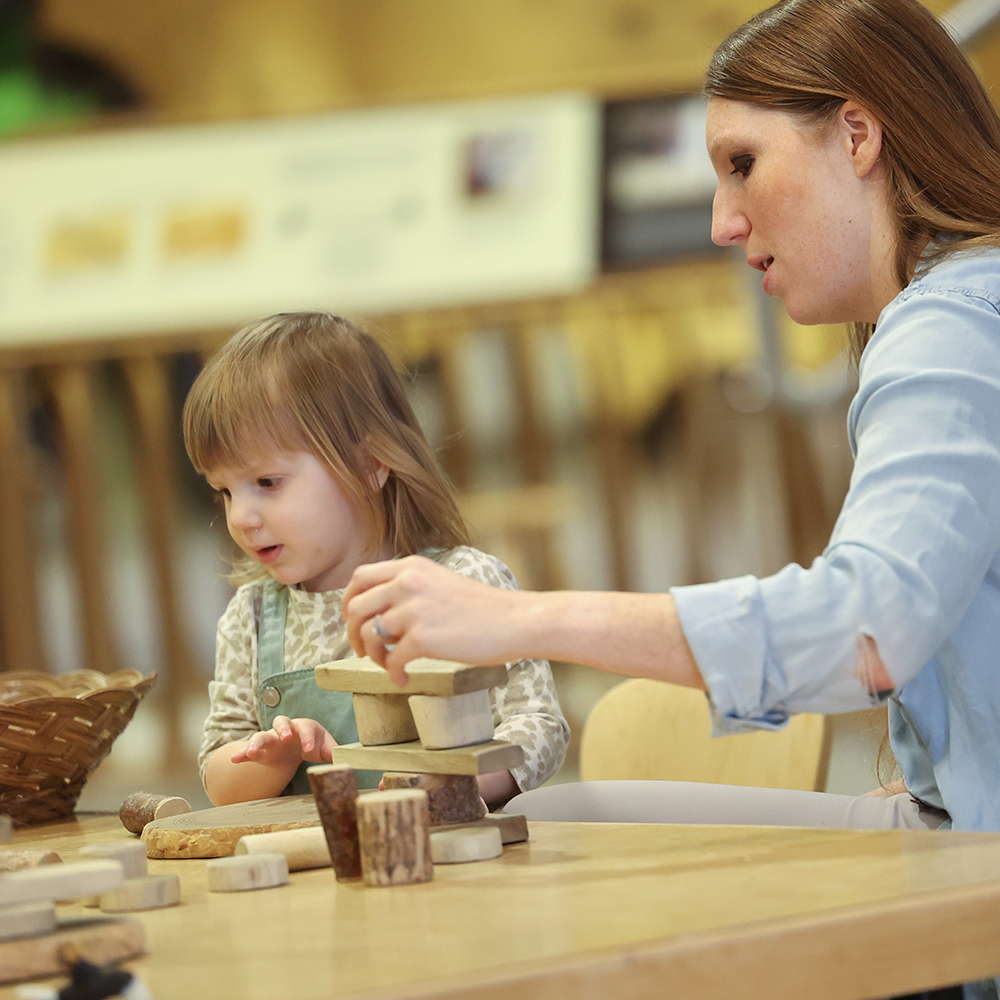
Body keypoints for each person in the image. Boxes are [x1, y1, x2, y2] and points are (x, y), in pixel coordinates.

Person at [342, 0, 1000, 843]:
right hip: (946, 826)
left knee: (542, 837)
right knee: (558, 818)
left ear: (857, 136)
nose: (724, 222)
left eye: (743, 162)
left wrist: (521, 620)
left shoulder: (952, 325)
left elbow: (864, 634)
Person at [183, 311, 569, 807]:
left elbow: (538, 728)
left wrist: (452, 784)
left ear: (369, 466)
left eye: (267, 483)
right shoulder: (251, 619)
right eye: (225, 492)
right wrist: (273, 759)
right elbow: (219, 774)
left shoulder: (462, 582)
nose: (242, 517)